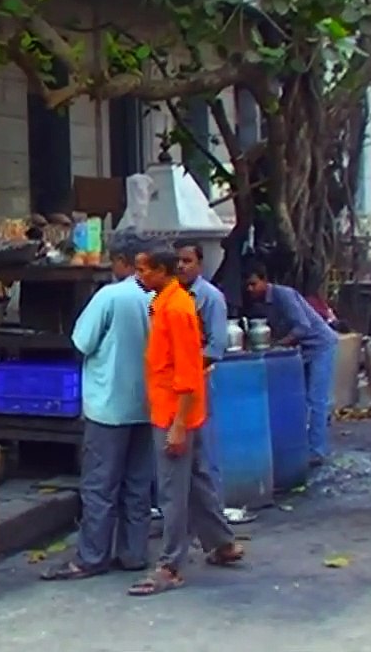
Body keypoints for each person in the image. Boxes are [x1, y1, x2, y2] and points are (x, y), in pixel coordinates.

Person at [128, 250, 243, 596]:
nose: (138, 276)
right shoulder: (166, 302)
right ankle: (222, 543)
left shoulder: (177, 309)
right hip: (176, 410)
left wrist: (178, 425)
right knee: (195, 481)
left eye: (143, 270)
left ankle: (170, 564)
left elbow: (189, 374)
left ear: (162, 271)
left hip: (174, 413)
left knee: (172, 491)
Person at [41, 238, 154, 581]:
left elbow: (82, 343)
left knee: (99, 486)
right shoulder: (162, 296)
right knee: (137, 484)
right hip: (148, 405)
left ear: (122, 261)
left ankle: (91, 557)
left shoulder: (110, 296)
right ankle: (134, 554)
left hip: (109, 406)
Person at [245, 262, 339, 466]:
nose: (250, 289)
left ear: (264, 280)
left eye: (253, 284)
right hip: (302, 351)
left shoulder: (283, 295)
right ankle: (305, 446)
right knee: (301, 400)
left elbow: (303, 327)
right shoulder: (260, 304)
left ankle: (317, 451)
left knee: (316, 401)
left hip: (320, 345)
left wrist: (278, 344)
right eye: (248, 286)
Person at [174, 242, 228, 365]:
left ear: (199, 265)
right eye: (177, 261)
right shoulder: (167, 294)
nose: (180, 266)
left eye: (187, 261)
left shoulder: (211, 297)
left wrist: (188, 368)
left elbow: (216, 346)